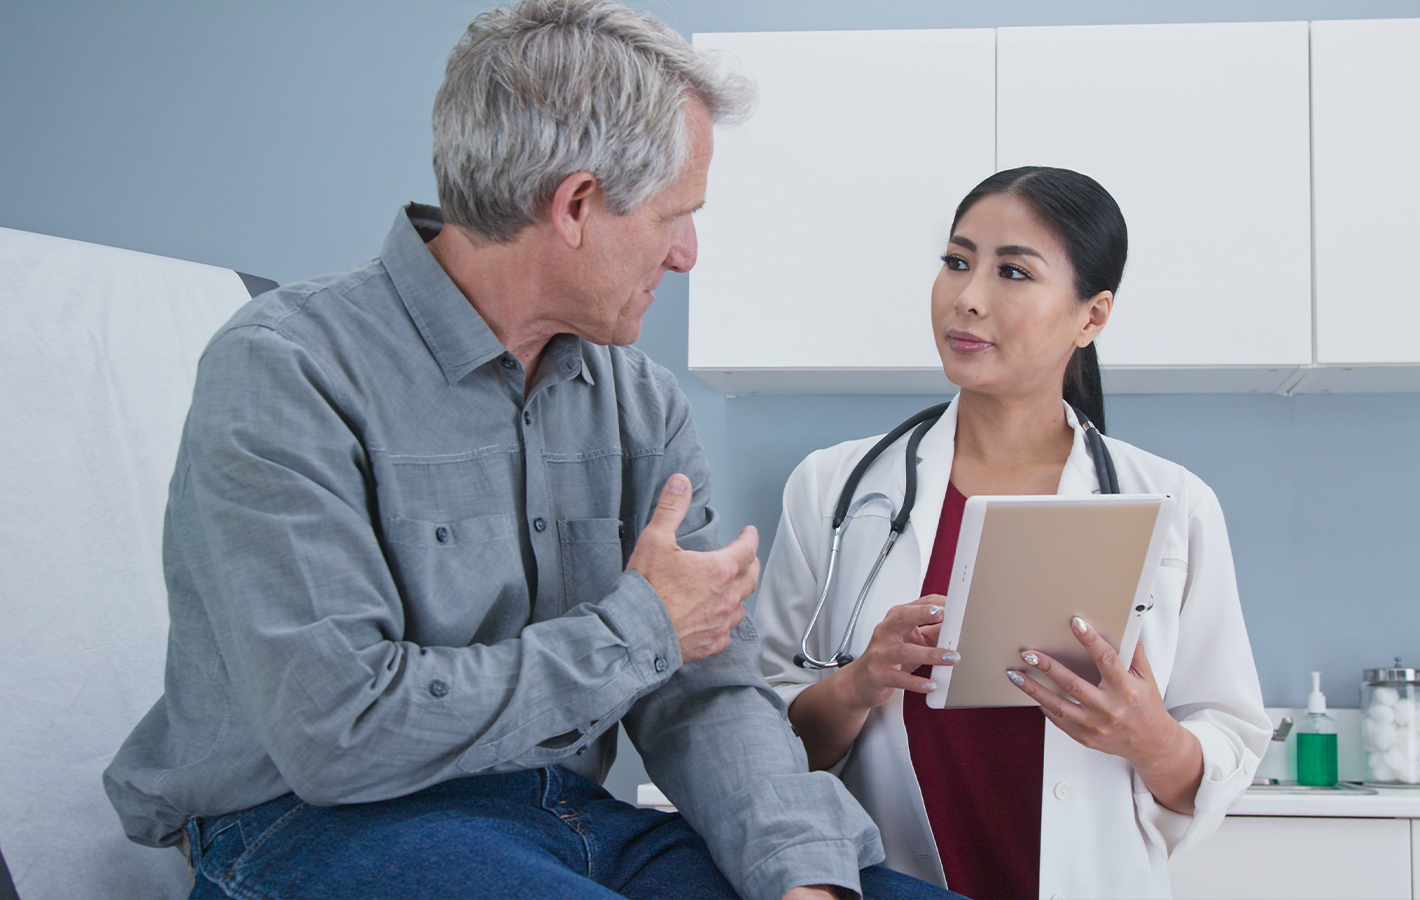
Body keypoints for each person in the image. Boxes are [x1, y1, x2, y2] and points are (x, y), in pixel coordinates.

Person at [104, 3, 956, 898]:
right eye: (676, 215)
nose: (687, 253)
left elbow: (705, 693)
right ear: (577, 206)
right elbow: (336, 734)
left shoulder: (640, 404)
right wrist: (643, 629)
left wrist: (800, 876)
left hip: (564, 818)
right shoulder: (287, 369)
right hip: (309, 824)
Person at [754, 166, 1273, 900]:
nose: (967, 297)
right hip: (889, 883)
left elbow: (1225, 739)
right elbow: (763, 735)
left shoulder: (1174, 503)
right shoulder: (834, 488)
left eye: (1012, 273)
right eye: (957, 262)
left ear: (1091, 318)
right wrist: (856, 684)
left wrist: (1150, 739)